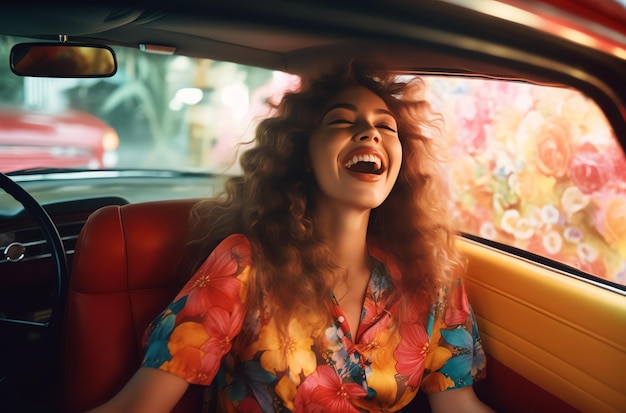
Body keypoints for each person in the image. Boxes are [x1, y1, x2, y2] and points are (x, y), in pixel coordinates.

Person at [88, 58, 495, 413]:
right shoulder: (245, 265)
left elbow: (459, 406)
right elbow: (134, 407)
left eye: (385, 127)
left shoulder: (431, 279)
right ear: (302, 154)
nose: (370, 133)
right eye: (342, 121)